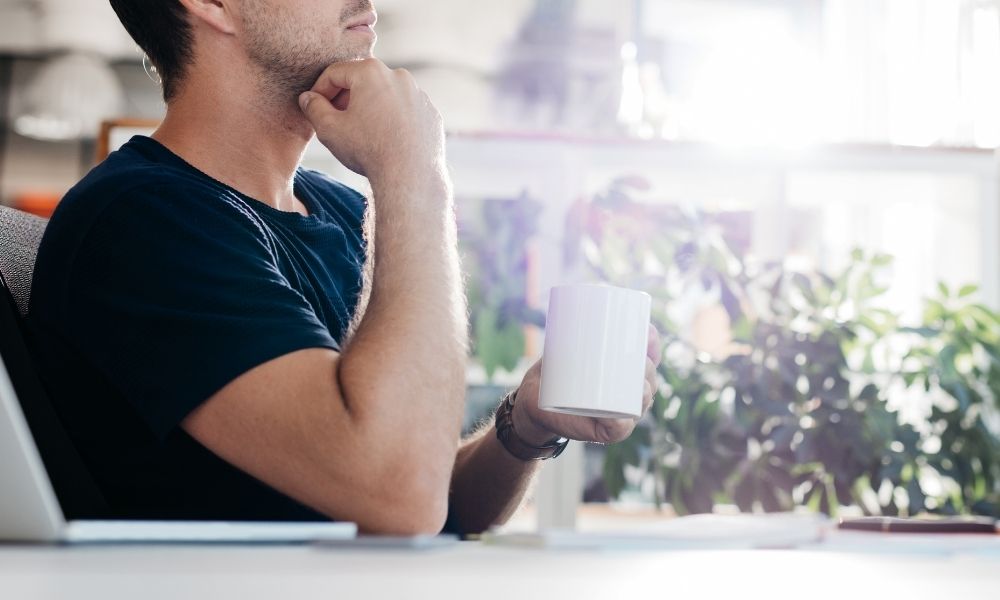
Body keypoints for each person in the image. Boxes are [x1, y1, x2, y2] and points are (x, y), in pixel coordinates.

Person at [27, 0, 660, 535]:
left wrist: (523, 428)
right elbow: (398, 493)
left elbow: (433, 505)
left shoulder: (343, 209)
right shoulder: (140, 220)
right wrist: (413, 170)